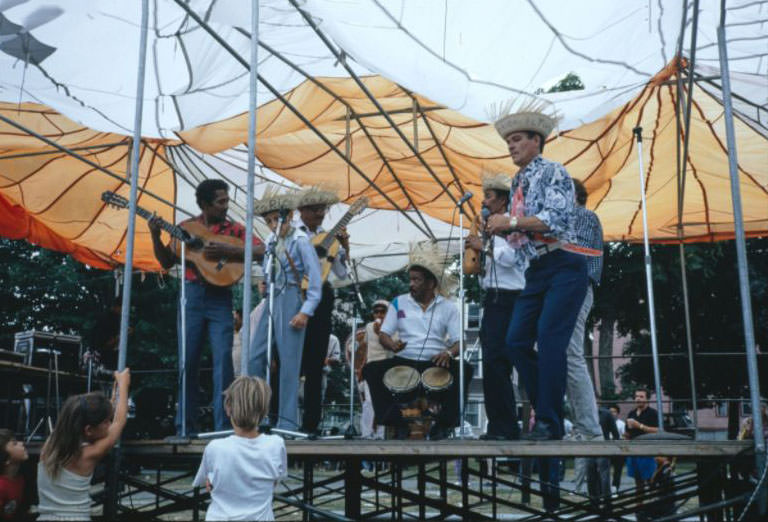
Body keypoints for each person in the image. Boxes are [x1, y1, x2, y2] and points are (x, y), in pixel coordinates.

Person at [486, 102, 590, 445]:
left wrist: (510, 222)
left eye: (517, 139)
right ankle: (549, 410)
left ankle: (549, 420)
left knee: (549, 341)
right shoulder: (518, 180)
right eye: (509, 142)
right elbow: (519, 238)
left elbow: (555, 220)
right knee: (515, 342)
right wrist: (498, 230)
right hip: (537, 267)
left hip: (566, 262)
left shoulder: (554, 171)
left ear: (536, 140)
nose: (512, 146)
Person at [149, 179, 264, 434]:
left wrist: (227, 249)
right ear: (204, 204)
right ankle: (184, 428)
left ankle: (223, 427)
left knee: (223, 358)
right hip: (190, 296)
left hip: (220, 297)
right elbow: (166, 262)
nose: (226, 206)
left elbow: (261, 249)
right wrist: (155, 235)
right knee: (187, 361)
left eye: (226, 200)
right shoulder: (186, 228)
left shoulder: (233, 229)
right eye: (221, 202)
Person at [376, 242, 472, 441]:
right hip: (404, 359)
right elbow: (384, 334)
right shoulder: (398, 302)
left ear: (430, 283)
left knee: (466, 369)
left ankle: (444, 425)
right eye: (410, 279)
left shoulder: (448, 307)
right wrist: (392, 345)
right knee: (371, 370)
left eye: (416, 280)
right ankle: (396, 422)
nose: (411, 284)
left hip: (436, 361)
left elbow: (459, 342)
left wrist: (448, 353)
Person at [248, 188, 322, 430]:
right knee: (254, 357)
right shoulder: (271, 240)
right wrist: (264, 282)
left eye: (275, 219)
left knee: (290, 365)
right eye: (268, 220)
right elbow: (268, 266)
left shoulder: (301, 240)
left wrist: (305, 311)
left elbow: (315, 280)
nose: (272, 225)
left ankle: (287, 424)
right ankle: (256, 415)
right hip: (271, 297)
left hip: (291, 297)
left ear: (289, 217)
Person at [465, 172, 525, 441]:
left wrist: (484, 247)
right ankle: (499, 425)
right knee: (491, 364)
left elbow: (512, 258)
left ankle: (507, 426)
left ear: (502, 201)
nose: (484, 201)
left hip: (510, 297)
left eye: (489, 196)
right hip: (494, 298)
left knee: (498, 362)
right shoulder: (489, 228)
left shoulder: (513, 226)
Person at [293, 185, 350, 435]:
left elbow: (342, 273)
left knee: (316, 361)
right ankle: (283, 417)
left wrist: (344, 248)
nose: (320, 213)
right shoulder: (293, 234)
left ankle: (311, 423)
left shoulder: (330, 238)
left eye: (323, 209)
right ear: (302, 210)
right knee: (289, 359)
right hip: (295, 294)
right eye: (315, 209)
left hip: (323, 296)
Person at [37, 369, 130, 521]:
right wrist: (124, 384)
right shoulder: (89, 454)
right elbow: (120, 421)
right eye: (106, 422)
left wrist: (112, 399)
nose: (109, 424)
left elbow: (73, 418)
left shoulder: (49, 446)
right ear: (88, 430)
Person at [193, 376, 286, 521]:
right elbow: (275, 481)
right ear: (264, 410)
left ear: (228, 408)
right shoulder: (276, 444)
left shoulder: (215, 448)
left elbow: (207, 483)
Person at [360, 300, 393, 439]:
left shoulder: (393, 327)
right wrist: (362, 367)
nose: (379, 314)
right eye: (376, 311)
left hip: (386, 367)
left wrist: (381, 333)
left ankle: (380, 433)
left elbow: (392, 348)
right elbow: (367, 348)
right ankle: (366, 433)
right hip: (371, 367)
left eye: (382, 311)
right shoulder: (368, 326)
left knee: (383, 401)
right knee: (368, 401)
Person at [625, 388, 659, 519]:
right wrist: (625, 437)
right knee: (638, 483)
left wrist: (640, 426)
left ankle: (653, 508)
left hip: (647, 450)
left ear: (647, 398)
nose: (638, 398)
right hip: (633, 451)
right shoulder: (631, 413)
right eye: (636, 396)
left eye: (641, 396)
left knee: (650, 481)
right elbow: (628, 433)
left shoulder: (652, 413)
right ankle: (639, 509)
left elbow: (658, 430)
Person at [0, 429, 29, 521]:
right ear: (6, 459)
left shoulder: (19, 479)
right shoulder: (1, 486)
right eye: (14, 443)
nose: (21, 443)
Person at [320, 334, 342, 406]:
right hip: (300, 374)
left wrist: (327, 360)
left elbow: (336, 359)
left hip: (321, 374)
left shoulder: (333, 339)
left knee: (318, 402)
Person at [610, 404, 626, 494]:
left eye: (614, 411)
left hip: (618, 447)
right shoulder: (604, 423)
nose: (612, 413)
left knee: (617, 470)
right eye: (610, 412)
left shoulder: (621, 424)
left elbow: (624, 436)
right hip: (608, 447)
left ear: (618, 413)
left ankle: (615, 488)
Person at [231, 310, 244, 378]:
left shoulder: (245, 335)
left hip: (244, 376)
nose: (233, 322)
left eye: (235, 320)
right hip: (233, 376)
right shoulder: (229, 336)